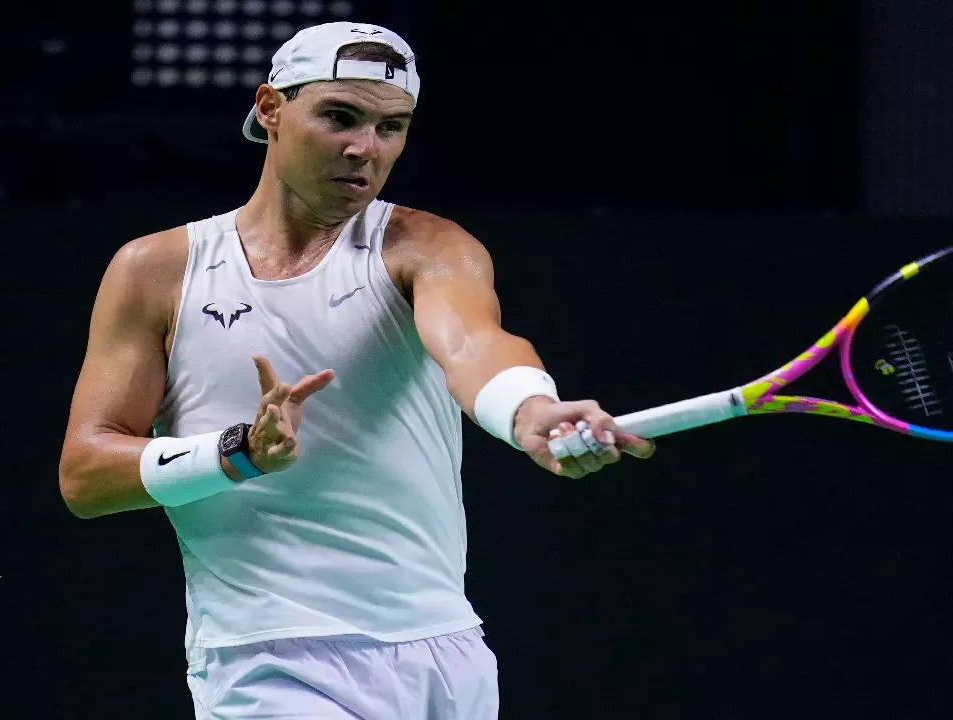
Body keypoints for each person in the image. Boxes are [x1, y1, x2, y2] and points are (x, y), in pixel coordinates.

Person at [58, 21, 655, 719]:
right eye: (339, 116)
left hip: (442, 654)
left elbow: (473, 345)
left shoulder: (425, 247)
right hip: (265, 659)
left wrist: (529, 409)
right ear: (271, 109)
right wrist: (236, 455)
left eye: (390, 127)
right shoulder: (157, 271)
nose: (363, 149)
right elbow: (85, 475)